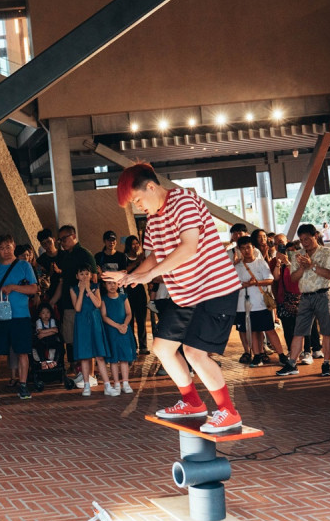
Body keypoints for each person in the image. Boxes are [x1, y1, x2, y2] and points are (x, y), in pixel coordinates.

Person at [108, 163, 246, 433]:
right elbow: (155, 256)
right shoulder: (154, 219)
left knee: (194, 352)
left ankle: (228, 412)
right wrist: (130, 276)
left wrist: (149, 276)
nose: (138, 207)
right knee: (162, 348)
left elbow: (188, 246)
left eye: (137, 200)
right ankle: (192, 402)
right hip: (187, 294)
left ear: (150, 186)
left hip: (214, 289)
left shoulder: (182, 200)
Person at [0, 234, 38, 399]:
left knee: (22, 352)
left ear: (14, 246)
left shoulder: (24, 266)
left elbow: (34, 289)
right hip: (1, 317)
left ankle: (22, 385)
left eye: (8, 246)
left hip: (21, 316)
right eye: (2, 248)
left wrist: (13, 287)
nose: (6, 251)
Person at [281, 224, 330, 377]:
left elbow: (329, 274)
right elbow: (293, 278)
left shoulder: (326, 252)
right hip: (305, 297)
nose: (304, 242)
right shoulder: (297, 255)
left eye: (307, 238)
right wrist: (302, 267)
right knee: (299, 331)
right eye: (301, 240)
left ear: (315, 236)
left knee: (326, 331)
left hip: (322, 295)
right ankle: (292, 364)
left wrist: (312, 266)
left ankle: (327, 364)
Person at [233, 237, 290, 368]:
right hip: (244, 305)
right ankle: (257, 356)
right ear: (239, 250)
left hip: (260, 303)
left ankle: (281, 355)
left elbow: (270, 280)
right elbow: (233, 284)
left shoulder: (260, 263)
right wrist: (242, 285)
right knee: (252, 330)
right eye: (243, 248)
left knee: (269, 329)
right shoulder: (237, 266)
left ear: (253, 248)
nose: (246, 250)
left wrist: (255, 283)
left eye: (248, 247)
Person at [47, 225, 98, 367]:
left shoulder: (84, 254)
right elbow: (63, 282)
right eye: (60, 240)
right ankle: (78, 369)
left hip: (83, 305)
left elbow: (94, 280)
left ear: (73, 236)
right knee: (70, 338)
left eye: (64, 238)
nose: (62, 242)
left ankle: (89, 372)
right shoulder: (65, 257)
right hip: (68, 305)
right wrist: (52, 301)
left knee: (84, 339)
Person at [70, 266, 112, 396]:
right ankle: (86, 385)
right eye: (81, 274)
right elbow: (77, 307)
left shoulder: (95, 287)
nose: (84, 276)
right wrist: (82, 291)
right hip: (82, 323)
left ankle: (107, 385)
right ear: (77, 276)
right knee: (85, 355)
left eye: (87, 274)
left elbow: (98, 304)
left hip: (95, 322)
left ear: (90, 275)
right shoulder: (73, 289)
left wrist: (88, 289)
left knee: (99, 355)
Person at [101, 279, 136, 394]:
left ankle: (125, 382)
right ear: (105, 285)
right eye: (109, 283)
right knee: (114, 359)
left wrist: (125, 325)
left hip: (124, 330)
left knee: (124, 358)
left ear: (118, 284)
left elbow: (129, 313)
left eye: (114, 283)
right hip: (112, 331)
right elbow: (104, 316)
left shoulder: (123, 297)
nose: (112, 285)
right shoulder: (104, 299)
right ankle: (116, 383)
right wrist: (117, 326)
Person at [122, 236, 149, 355]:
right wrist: (137, 261)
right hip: (128, 292)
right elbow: (124, 270)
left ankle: (143, 346)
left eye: (137, 243)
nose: (136, 246)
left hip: (140, 290)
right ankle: (133, 345)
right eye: (133, 244)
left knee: (141, 319)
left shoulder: (143, 258)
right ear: (128, 245)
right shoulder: (124, 257)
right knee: (130, 319)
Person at [30, 303, 63, 377]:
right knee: (39, 346)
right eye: (43, 313)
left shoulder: (52, 321)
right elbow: (40, 331)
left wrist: (43, 334)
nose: (46, 315)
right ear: (39, 315)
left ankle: (55, 361)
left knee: (59, 345)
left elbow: (56, 330)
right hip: (42, 341)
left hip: (51, 340)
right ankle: (43, 361)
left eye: (48, 312)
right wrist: (51, 331)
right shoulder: (38, 321)